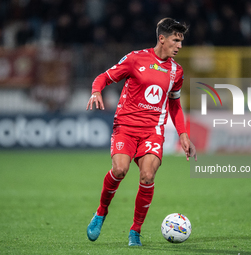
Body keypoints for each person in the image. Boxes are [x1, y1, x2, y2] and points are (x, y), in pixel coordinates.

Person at [85, 18, 197, 246]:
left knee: (147, 175)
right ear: (162, 39)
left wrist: (184, 133)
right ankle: (101, 211)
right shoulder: (135, 59)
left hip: (152, 131)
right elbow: (104, 77)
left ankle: (135, 231)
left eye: (182, 41)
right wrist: (96, 91)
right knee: (120, 170)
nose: (179, 46)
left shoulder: (176, 71)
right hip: (125, 128)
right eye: (176, 40)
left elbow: (174, 104)